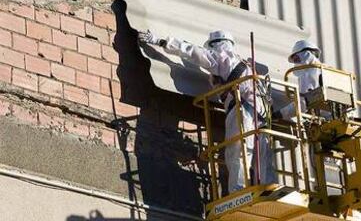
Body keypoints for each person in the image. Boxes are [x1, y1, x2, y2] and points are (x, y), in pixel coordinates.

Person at [137, 29, 276, 193]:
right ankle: (268, 188)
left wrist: (161, 41)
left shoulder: (222, 57)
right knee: (261, 154)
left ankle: (239, 192)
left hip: (242, 110)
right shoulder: (246, 66)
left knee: (237, 151)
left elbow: (193, 52)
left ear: (216, 45)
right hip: (262, 115)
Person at [274, 39, 322, 120]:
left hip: (324, 121)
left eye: (297, 58)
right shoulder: (328, 70)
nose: (296, 62)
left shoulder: (309, 72)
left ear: (307, 54)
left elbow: (302, 104)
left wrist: (279, 114)